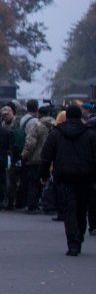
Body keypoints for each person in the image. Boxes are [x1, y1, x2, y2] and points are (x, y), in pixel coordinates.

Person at [41, 105, 96, 256]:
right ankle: (79, 236)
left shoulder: (56, 133)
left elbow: (46, 156)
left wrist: (44, 175)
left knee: (69, 210)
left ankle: (73, 243)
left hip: (64, 178)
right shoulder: (90, 134)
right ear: (80, 117)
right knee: (81, 209)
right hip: (85, 178)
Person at [20, 100, 48, 213]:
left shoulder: (28, 121)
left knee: (32, 182)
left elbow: (30, 142)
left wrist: (24, 155)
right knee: (40, 181)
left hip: (34, 157)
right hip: (46, 157)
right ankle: (39, 203)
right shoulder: (50, 124)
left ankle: (31, 205)